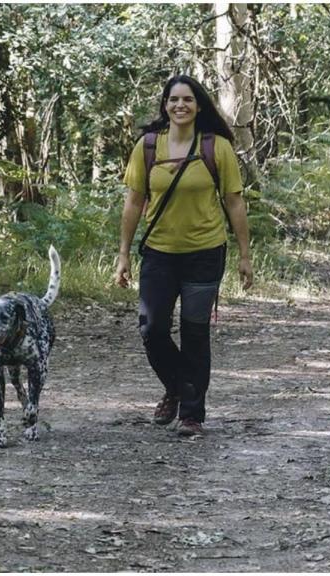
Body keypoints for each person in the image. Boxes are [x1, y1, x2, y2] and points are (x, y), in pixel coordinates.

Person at [114, 74, 253, 437]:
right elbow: (134, 202)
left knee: (195, 333)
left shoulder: (216, 147)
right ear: (165, 105)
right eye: (174, 99)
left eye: (188, 99)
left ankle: (192, 414)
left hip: (205, 253)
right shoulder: (147, 147)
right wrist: (123, 254)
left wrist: (245, 255)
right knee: (152, 329)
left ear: (199, 106)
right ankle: (178, 387)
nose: (180, 105)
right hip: (159, 254)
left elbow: (234, 202)